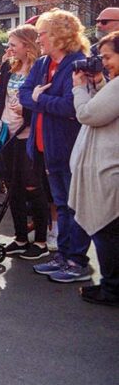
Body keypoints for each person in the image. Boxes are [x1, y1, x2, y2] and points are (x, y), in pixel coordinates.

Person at [20, 8, 92, 283]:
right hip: (43, 147)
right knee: (61, 205)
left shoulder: (79, 64)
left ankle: (76, 260)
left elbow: (71, 106)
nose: (38, 40)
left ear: (59, 36)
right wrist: (38, 99)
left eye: (42, 34)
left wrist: (40, 100)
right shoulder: (40, 65)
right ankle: (63, 256)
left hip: (68, 146)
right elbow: (24, 94)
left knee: (73, 206)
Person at [0, 25, 48, 259]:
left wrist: (27, 108)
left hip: (27, 135)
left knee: (33, 186)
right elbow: (1, 94)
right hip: (7, 133)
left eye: (13, 44)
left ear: (27, 45)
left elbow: (42, 101)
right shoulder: (10, 67)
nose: (8, 49)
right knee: (13, 187)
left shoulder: (39, 70)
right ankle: (20, 237)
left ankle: (40, 240)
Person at [69, 30, 119, 306]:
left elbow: (89, 114)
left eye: (109, 57)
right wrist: (99, 83)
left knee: (106, 232)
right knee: (109, 232)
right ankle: (111, 285)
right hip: (109, 167)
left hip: (109, 170)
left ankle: (112, 289)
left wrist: (79, 88)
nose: (104, 62)